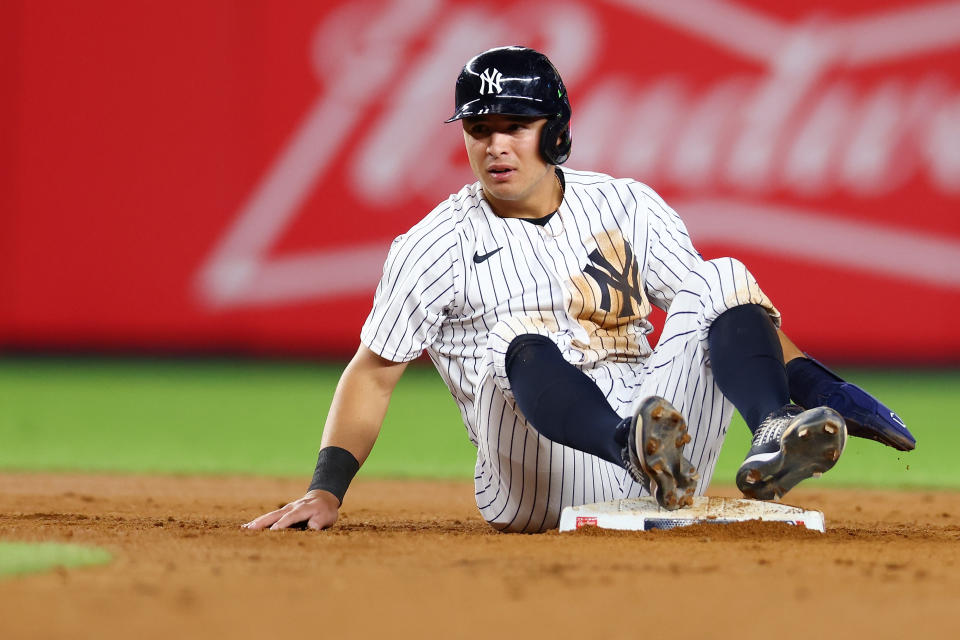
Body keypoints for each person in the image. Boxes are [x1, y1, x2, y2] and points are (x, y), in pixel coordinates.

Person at [243, 46, 915, 534]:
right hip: (534, 475)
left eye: (516, 125)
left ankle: (769, 433)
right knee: (512, 339)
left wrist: (819, 388)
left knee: (721, 274)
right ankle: (631, 446)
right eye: (480, 128)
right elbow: (374, 374)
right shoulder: (432, 243)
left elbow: (727, 311)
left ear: (556, 132)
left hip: (665, 444)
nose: (496, 144)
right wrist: (325, 491)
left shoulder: (627, 204)